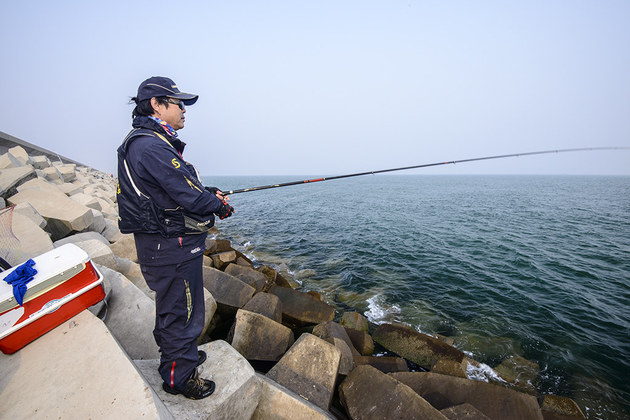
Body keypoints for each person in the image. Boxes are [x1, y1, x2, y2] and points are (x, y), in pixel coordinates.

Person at [116, 76, 234, 400]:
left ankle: (179, 359)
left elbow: (173, 190)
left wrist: (208, 194)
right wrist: (218, 205)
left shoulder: (149, 142)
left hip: (167, 244)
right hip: (170, 246)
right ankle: (178, 378)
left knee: (177, 307)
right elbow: (188, 194)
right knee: (181, 312)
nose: (184, 110)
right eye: (178, 103)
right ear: (157, 104)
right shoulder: (150, 145)